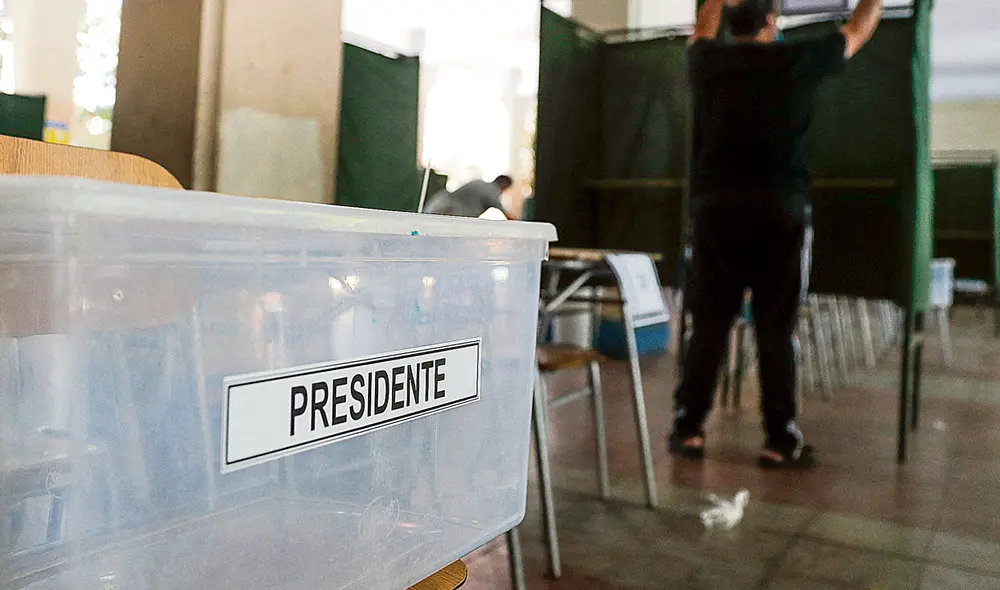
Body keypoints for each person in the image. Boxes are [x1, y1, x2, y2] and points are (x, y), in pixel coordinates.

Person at [669, 0, 882, 469]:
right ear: (772, 22)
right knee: (776, 329)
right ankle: (778, 438)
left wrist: (716, 6)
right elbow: (859, 28)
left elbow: (702, 25)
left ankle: (688, 429)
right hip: (778, 210)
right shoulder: (796, 60)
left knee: (707, 326)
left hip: (715, 209)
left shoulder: (708, 62)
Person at [423, 175, 514, 218]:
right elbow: (503, 211)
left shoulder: (479, 182)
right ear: (503, 184)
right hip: (454, 213)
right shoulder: (492, 191)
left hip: (445, 206)